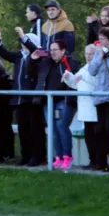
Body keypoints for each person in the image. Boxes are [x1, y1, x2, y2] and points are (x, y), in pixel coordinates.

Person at [0, 26, 44, 167]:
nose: (22, 44)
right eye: (21, 41)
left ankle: (37, 156)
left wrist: (23, 36)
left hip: (33, 99)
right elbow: (4, 54)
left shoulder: (39, 54)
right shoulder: (18, 56)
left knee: (35, 129)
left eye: (25, 41)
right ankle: (25, 156)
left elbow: (35, 50)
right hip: (19, 98)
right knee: (23, 129)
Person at [30, 39, 80, 170]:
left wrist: (68, 76)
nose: (52, 53)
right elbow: (31, 72)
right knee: (52, 129)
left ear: (63, 51)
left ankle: (67, 156)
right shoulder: (46, 63)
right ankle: (58, 157)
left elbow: (75, 79)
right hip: (48, 101)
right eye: (50, 50)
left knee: (61, 126)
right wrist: (33, 60)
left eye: (55, 50)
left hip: (64, 100)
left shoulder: (71, 62)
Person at [88, 27, 109, 171]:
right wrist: (100, 57)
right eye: (99, 38)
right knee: (100, 130)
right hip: (99, 96)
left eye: (103, 39)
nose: (100, 41)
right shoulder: (99, 53)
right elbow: (92, 71)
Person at [63, 44, 98, 170]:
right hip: (84, 109)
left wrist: (82, 77)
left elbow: (96, 81)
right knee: (89, 137)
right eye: (86, 54)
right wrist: (68, 77)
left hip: (94, 108)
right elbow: (75, 83)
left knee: (96, 137)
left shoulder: (99, 66)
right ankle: (92, 160)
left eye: (91, 54)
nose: (88, 56)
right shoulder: (84, 67)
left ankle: (99, 162)